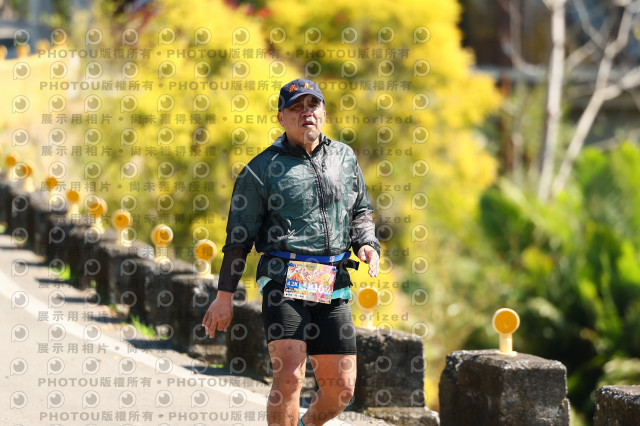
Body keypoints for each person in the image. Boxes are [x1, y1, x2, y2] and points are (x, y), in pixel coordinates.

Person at [202, 78, 381, 426]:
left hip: (332, 281)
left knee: (341, 390)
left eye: (312, 106)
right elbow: (239, 238)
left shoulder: (344, 157)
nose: (306, 113)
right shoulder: (260, 170)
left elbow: (360, 210)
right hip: (283, 280)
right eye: (296, 108)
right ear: (281, 118)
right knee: (289, 377)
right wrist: (224, 297)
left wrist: (366, 243)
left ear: (323, 113)